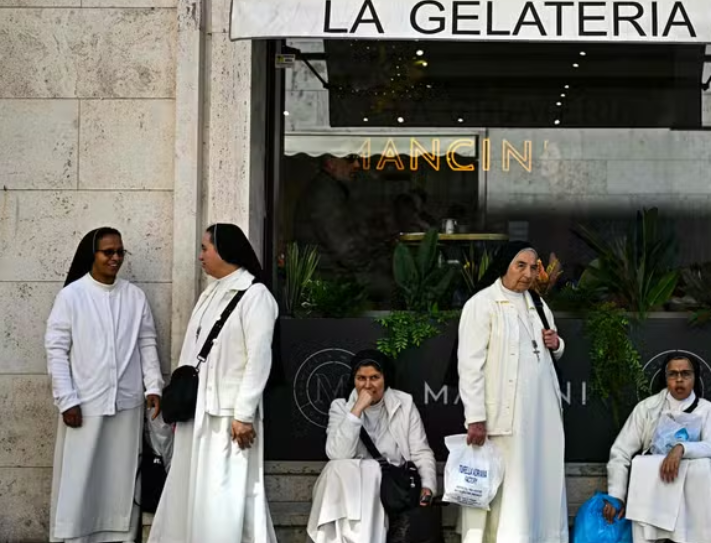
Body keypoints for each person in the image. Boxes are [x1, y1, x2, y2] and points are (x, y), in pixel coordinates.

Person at [149, 223, 280, 543]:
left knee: (227, 496)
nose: (200, 256)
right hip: (197, 411)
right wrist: (180, 405)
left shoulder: (255, 295)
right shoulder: (210, 292)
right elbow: (191, 353)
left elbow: (259, 359)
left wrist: (244, 414)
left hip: (229, 416)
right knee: (191, 489)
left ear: (225, 251)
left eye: (205, 248)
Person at [44, 227, 164, 543]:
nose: (115, 258)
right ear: (92, 254)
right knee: (81, 477)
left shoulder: (134, 296)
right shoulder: (71, 296)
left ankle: (120, 538)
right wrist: (66, 399)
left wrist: (153, 386)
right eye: (108, 252)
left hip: (126, 405)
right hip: (84, 405)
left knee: (120, 479)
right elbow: (56, 349)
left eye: (120, 252)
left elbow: (146, 343)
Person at [456, 241, 569, 543]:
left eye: (533, 267)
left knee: (540, 488)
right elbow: (469, 366)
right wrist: (476, 417)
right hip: (503, 421)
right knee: (507, 493)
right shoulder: (481, 304)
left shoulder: (538, 304)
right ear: (505, 265)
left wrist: (556, 344)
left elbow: (552, 349)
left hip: (542, 419)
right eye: (521, 265)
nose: (529, 273)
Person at [603, 352, 711, 543]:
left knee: (704, 466)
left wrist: (682, 448)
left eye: (685, 374)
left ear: (694, 378)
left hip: (695, 489)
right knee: (642, 464)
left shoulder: (708, 410)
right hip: (656, 487)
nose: (679, 380)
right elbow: (620, 452)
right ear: (666, 378)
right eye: (673, 374)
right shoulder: (647, 408)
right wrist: (617, 495)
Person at [307, 349, 438, 543]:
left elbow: (420, 450)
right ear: (354, 379)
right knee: (337, 467)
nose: (368, 385)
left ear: (385, 378)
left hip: (389, 484)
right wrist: (356, 410)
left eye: (374, 377)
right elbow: (337, 453)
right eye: (361, 378)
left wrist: (428, 485)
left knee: (371, 470)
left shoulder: (404, 403)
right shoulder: (341, 406)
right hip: (348, 485)